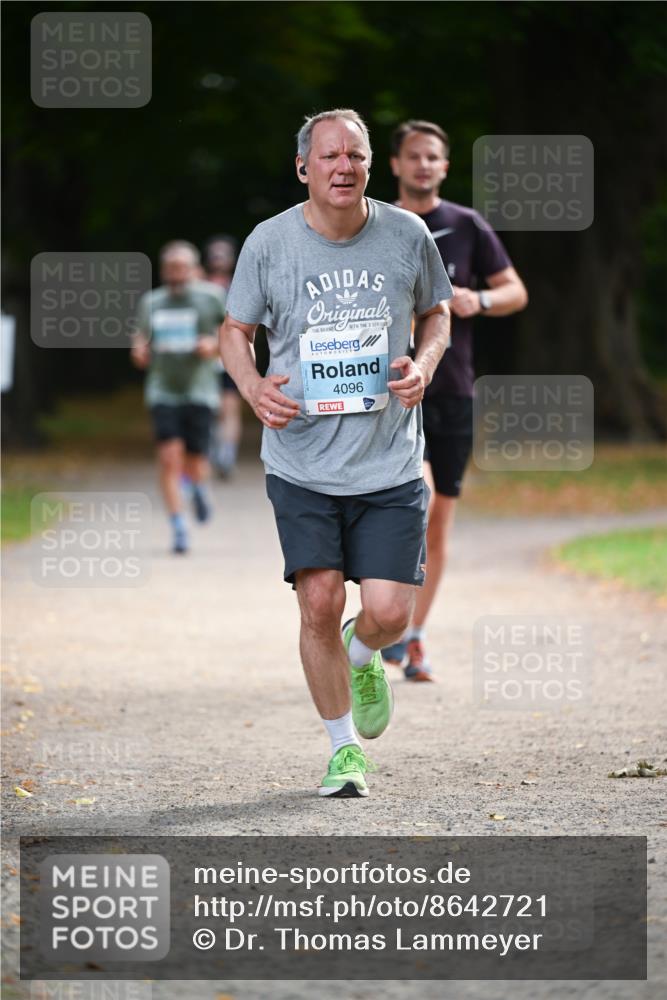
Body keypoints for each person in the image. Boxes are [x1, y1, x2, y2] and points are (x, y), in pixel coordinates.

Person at [220, 109, 452, 798]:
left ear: (369, 165)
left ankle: (363, 653)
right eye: (327, 156)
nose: (342, 166)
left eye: (354, 154)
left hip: (386, 460)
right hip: (300, 460)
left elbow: (436, 310)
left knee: (388, 616)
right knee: (317, 600)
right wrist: (253, 385)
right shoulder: (269, 243)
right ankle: (343, 750)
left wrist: (426, 362)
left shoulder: (406, 235)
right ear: (303, 168)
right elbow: (235, 330)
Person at [383, 120, 528, 680]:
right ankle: (385, 619)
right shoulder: (379, 224)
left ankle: (413, 635)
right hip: (391, 393)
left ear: (444, 167)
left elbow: (517, 291)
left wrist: (479, 299)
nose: (423, 165)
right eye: (413, 156)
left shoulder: (466, 225)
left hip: (452, 390)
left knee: (438, 521)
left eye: (433, 158)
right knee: (414, 499)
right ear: (395, 164)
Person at [131, 241, 224, 554]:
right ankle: (179, 527)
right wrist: (139, 351)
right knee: (169, 458)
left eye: (182, 267)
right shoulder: (152, 302)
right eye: (170, 268)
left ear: (193, 268)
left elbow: (233, 333)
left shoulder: (210, 298)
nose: (176, 274)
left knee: (195, 459)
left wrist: (213, 345)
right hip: (163, 389)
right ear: (163, 270)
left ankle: (198, 487)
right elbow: (140, 339)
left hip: (200, 389)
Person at [203, 235, 244, 477]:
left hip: (230, 355)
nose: (218, 259)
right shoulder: (198, 285)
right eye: (214, 254)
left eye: (223, 254)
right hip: (205, 358)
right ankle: (209, 450)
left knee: (230, 407)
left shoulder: (241, 285)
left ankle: (226, 455)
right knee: (209, 407)